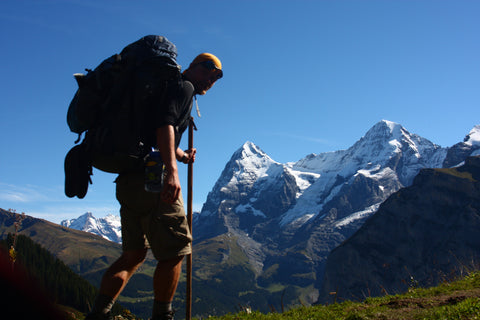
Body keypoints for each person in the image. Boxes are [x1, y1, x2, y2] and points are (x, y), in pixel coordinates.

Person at [86, 51, 223, 320]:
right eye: (208, 69)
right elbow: (165, 126)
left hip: (129, 179)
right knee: (175, 252)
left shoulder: (161, 89)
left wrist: (182, 155)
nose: (211, 78)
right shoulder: (183, 87)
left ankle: (98, 314)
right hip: (154, 181)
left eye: (217, 76)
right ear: (193, 66)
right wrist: (173, 171)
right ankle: (163, 317)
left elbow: (155, 135)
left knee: (133, 255)